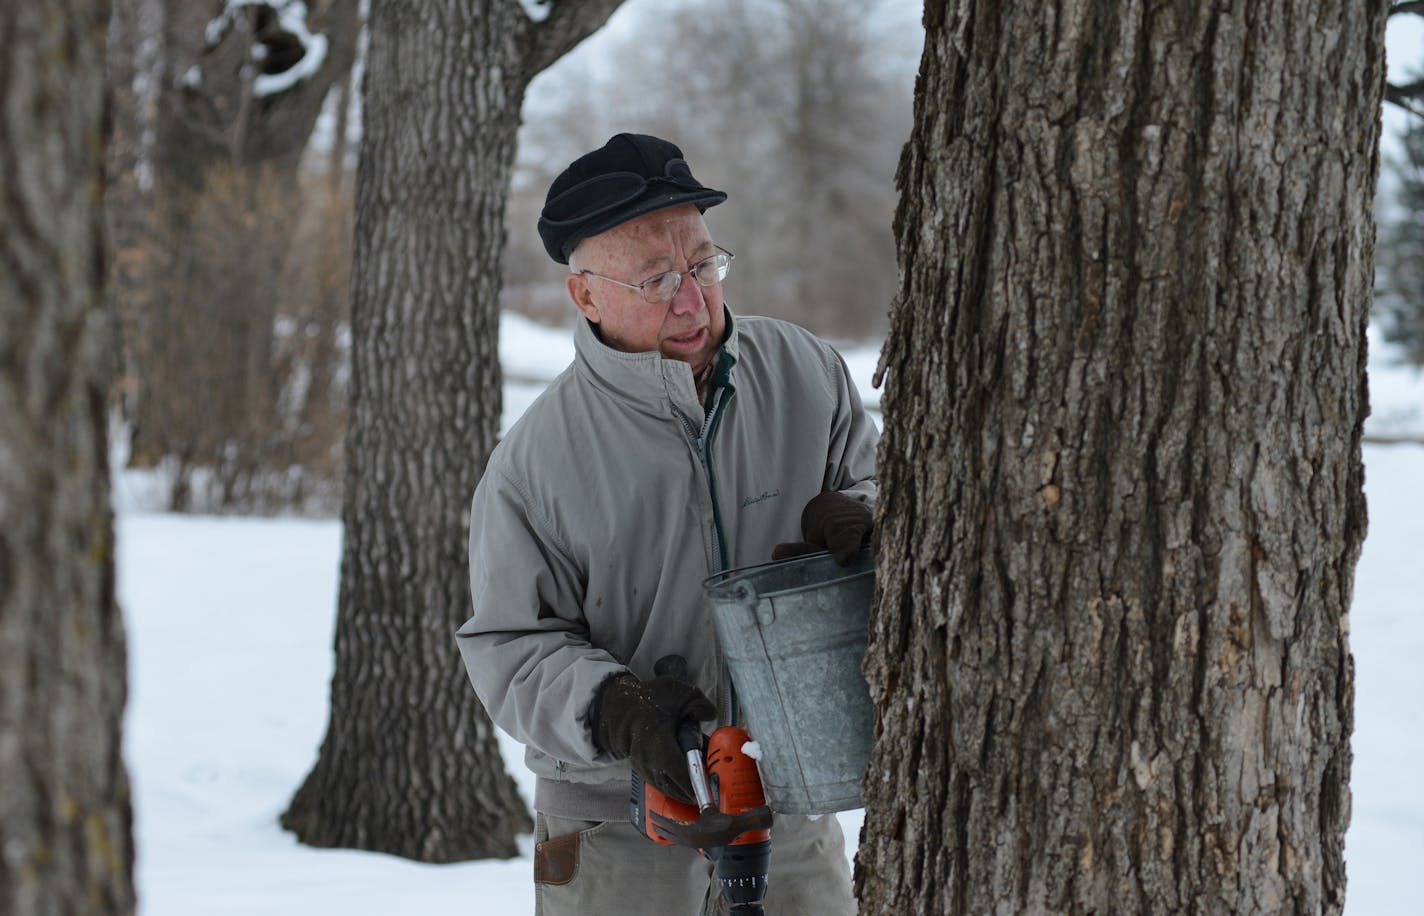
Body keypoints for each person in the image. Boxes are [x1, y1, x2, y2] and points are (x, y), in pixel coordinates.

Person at [456, 133, 878, 915]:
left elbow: (886, 491)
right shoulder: (534, 462)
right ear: (585, 295)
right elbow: (509, 644)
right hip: (618, 831)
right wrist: (611, 707)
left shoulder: (806, 372)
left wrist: (864, 519)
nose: (692, 300)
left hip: (791, 807)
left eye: (703, 265)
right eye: (656, 279)